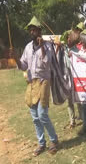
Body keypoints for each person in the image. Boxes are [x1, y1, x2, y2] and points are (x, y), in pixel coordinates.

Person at [12, 16, 59, 156]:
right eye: (31, 30)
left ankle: (54, 140)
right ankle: (41, 143)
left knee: (42, 114)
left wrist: (43, 48)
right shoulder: (27, 47)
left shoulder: (48, 46)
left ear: (40, 31)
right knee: (34, 117)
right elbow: (23, 66)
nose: (33, 32)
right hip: (31, 84)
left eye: (35, 30)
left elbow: (47, 64)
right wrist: (15, 58)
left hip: (44, 82)